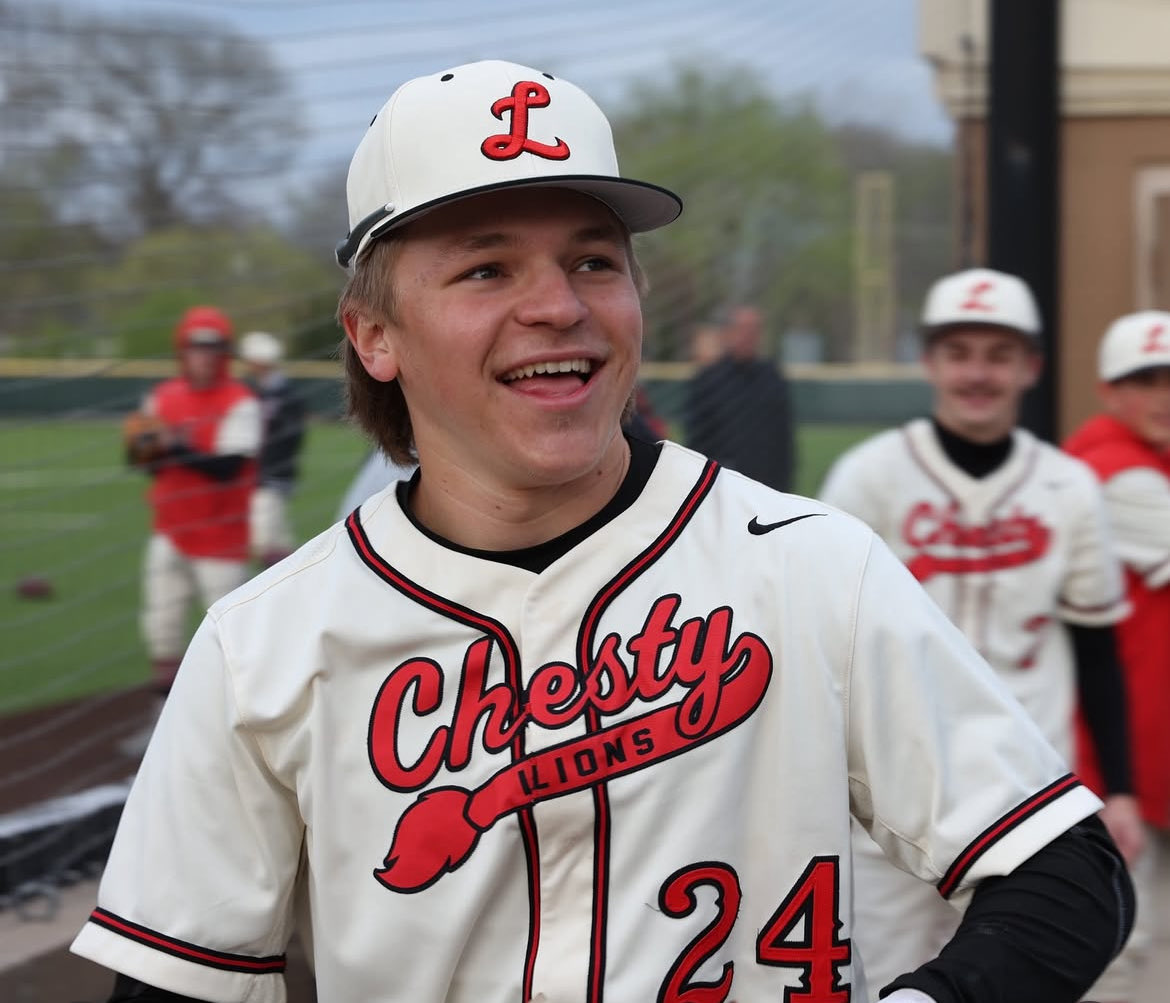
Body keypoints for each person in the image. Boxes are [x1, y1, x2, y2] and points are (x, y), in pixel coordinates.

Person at [74, 61, 1132, 1003]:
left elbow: (1067, 870)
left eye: (592, 261)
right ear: (375, 334)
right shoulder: (266, 643)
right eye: (486, 268)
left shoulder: (810, 566)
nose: (559, 306)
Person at [818, 267, 1144, 997]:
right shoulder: (868, 476)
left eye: (998, 354)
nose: (977, 372)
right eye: (959, 350)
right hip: (893, 801)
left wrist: (1117, 789)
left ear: (1030, 366)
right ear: (930, 361)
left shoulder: (1068, 485)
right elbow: (823, 651)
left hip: (1031, 798)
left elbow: (1097, 651)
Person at [1064, 309, 1170, 1003]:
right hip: (1118, 751)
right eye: (1144, 378)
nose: (1162, 394)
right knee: (1124, 940)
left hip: (1144, 744)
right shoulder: (1112, 468)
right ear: (1109, 389)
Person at [122, 305, 261, 707]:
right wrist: (140, 448)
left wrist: (174, 447)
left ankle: (240, 718)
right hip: (170, 529)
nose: (203, 356)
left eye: (212, 348)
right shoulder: (163, 397)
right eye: (195, 348)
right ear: (182, 351)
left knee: (231, 640)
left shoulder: (240, 401)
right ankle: (160, 716)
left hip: (221, 539)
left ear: (225, 353)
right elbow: (143, 464)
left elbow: (228, 467)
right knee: (161, 628)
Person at [684, 304, 795, 491]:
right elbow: (696, 438)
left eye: (754, 330)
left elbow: (784, 436)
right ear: (728, 332)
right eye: (742, 329)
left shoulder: (772, 377)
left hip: (766, 484)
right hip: (722, 484)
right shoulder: (708, 380)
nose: (748, 336)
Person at [238, 330, 308, 568]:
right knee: (277, 542)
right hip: (261, 477)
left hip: (271, 477)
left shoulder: (284, 396)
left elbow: (289, 440)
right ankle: (294, 582)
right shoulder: (254, 391)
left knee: (262, 540)